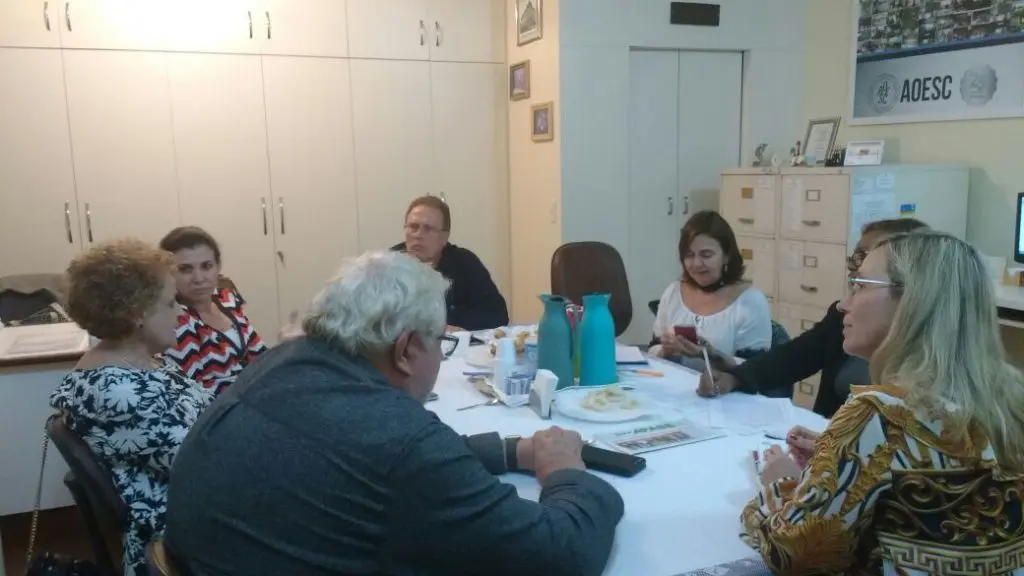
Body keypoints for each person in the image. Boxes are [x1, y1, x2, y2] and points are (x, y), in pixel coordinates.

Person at [165, 251, 623, 576]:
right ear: (405, 350)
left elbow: (368, 462)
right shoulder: (399, 441)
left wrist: (512, 451)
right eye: (440, 342)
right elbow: (563, 556)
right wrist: (565, 471)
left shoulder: (283, 364)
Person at [741, 231, 1024, 574]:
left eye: (859, 285)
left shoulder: (880, 412)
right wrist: (840, 462)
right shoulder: (1011, 398)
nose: (843, 303)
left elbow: (793, 554)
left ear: (911, 301)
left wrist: (784, 484)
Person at [49, 239, 213, 576]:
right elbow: (206, 465)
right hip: (181, 537)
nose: (181, 312)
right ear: (137, 314)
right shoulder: (117, 393)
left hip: (200, 512)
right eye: (170, 304)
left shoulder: (141, 362)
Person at [698, 218, 928, 416]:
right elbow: (797, 356)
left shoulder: (931, 359)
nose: (855, 265)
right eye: (855, 255)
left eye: (866, 257)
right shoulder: (843, 315)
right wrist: (736, 378)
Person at [650, 210, 771, 364]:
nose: (696, 264)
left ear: (726, 256)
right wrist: (664, 351)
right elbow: (653, 347)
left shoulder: (750, 302)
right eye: (689, 255)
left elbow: (757, 370)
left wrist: (710, 355)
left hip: (726, 388)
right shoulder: (673, 292)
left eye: (706, 255)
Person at [159, 226, 267, 393]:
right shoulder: (175, 321)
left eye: (206, 266)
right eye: (185, 269)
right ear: (167, 273)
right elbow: (195, 393)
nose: (199, 278)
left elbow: (260, 357)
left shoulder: (227, 299)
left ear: (218, 266)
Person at [391, 195, 509, 331]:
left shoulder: (464, 263)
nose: (418, 235)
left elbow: (498, 315)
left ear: (444, 237)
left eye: (428, 228)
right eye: (413, 227)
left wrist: (447, 322)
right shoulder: (389, 264)